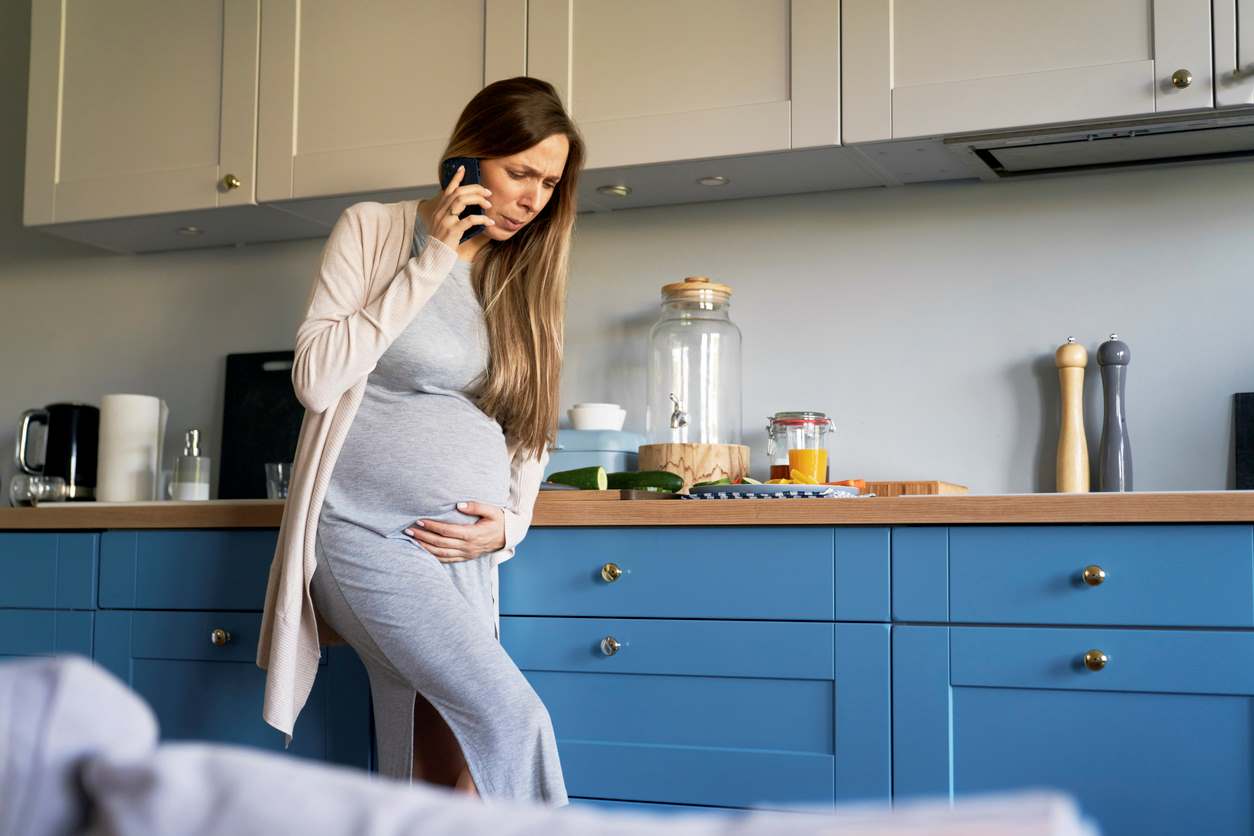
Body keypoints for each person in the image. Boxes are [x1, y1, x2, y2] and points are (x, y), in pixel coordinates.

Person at [256, 76, 584, 805]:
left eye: (549, 183)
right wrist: (432, 258)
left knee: (447, 774)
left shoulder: (523, 277)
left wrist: (511, 526)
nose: (533, 198)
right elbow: (315, 377)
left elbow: (528, 430)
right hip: (362, 532)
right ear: (468, 158)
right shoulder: (373, 230)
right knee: (511, 718)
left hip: (462, 552)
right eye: (519, 173)